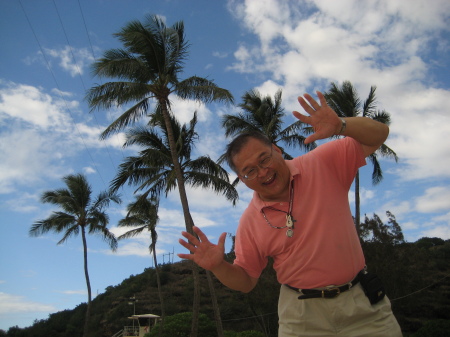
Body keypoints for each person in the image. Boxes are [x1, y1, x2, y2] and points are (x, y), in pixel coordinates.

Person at [178, 91, 402, 336]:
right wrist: (219, 266)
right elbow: (246, 280)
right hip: (301, 318)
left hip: (363, 308)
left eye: (264, 159)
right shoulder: (250, 222)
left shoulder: (323, 163)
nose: (262, 173)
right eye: (250, 171)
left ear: (276, 150)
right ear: (242, 180)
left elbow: (379, 135)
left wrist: (341, 125)